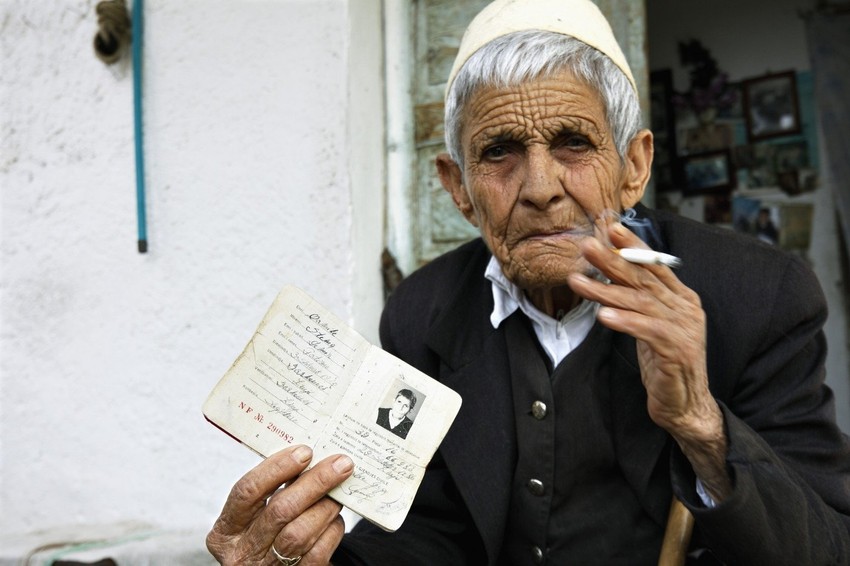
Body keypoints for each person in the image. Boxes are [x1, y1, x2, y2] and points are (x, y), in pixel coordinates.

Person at [206, 0, 850, 564]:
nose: (541, 188)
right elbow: (428, 535)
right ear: (458, 188)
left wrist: (701, 425)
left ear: (633, 166)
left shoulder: (759, 295)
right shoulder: (423, 312)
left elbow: (827, 547)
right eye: (499, 152)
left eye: (573, 143)